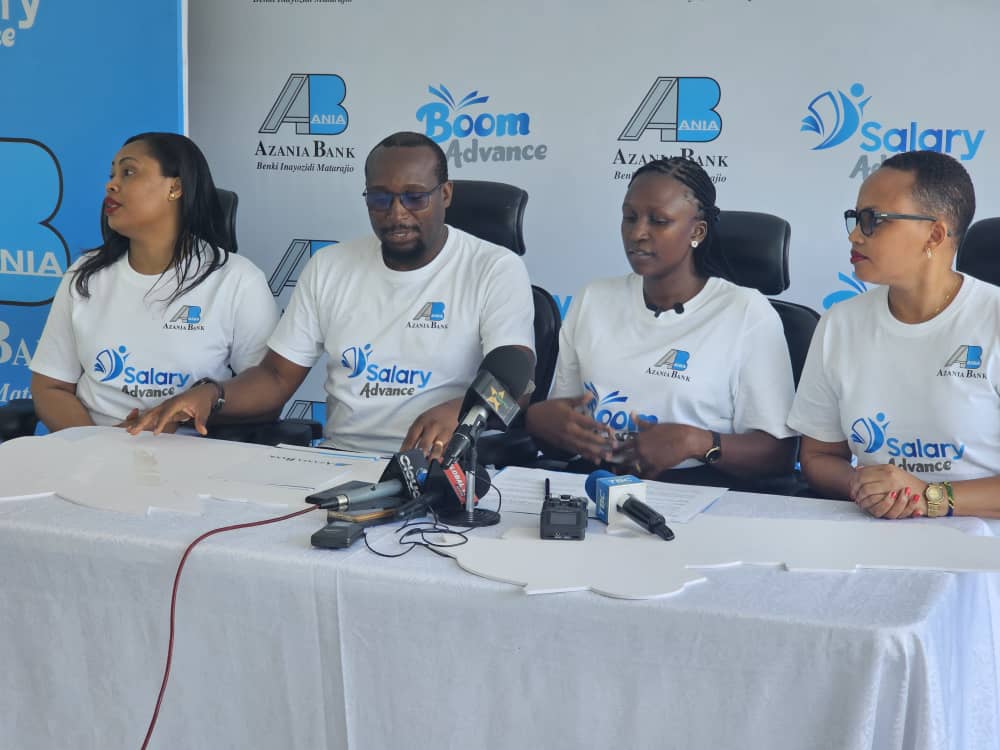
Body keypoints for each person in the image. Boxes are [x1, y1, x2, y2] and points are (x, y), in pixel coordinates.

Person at [129, 131, 535, 458]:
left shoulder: (493, 267)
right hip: (341, 461)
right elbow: (275, 378)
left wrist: (462, 412)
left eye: (415, 197)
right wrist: (211, 395)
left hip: (446, 465)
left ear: (444, 194)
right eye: (380, 198)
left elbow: (517, 384)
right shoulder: (330, 266)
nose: (397, 213)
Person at [525, 157, 796, 486]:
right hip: (595, 483)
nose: (637, 233)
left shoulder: (746, 312)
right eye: (629, 217)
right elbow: (565, 425)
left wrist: (696, 443)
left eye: (659, 221)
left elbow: (779, 455)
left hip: (698, 489)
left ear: (697, 231)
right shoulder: (593, 299)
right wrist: (541, 421)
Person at [788, 150, 1000, 519]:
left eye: (873, 220)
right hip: (874, 531)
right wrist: (865, 486)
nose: (855, 235)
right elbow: (819, 455)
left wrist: (929, 497)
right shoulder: (840, 323)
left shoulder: (992, 319)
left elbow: (926, 498)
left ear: (934, 234)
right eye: (856, 218)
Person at [30, 132, 278, 431]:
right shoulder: (85, 275)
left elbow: (266, 392)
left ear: (175, 187)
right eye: (112, 174)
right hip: (92, 449)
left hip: (194, 453)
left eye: (129, 172)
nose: (111, 184)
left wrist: (188, 413)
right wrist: (94, 445)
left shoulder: (237, 281)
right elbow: (51, 386)